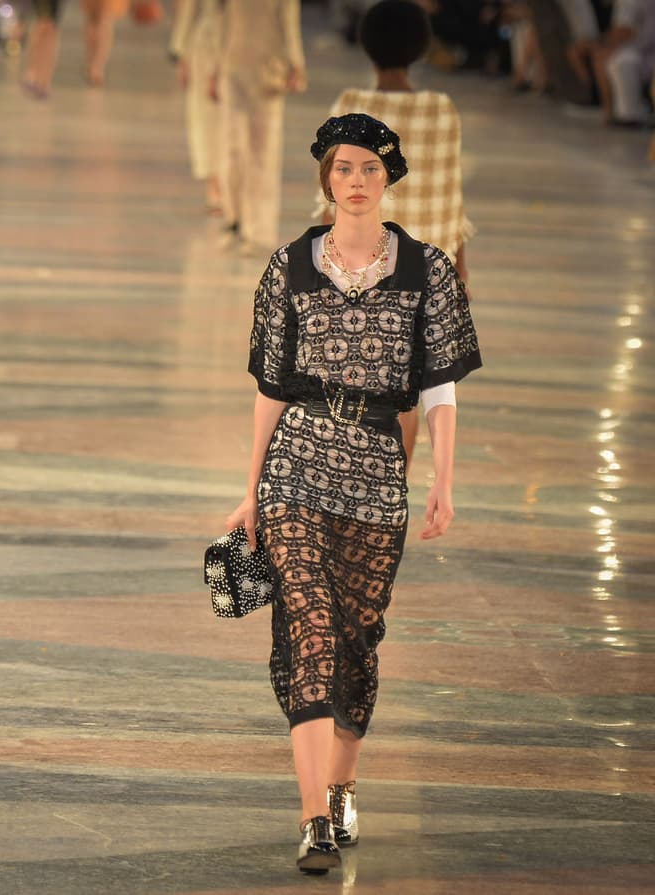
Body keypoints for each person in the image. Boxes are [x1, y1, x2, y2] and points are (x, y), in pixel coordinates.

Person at [223, 113, 481, 874]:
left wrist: (442, 478)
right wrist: (251, 492)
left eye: (370, 168)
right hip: (298, 462)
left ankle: (341, 785)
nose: (357, 181)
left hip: (376, 472)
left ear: (389, 176)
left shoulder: (427, 271)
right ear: (326, 179)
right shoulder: (290, 266)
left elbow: (438, 387)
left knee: (357, 642)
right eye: (344, 169)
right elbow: (271, 388)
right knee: (306, 628)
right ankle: (310, 817)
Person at [315, 0, 475, 467]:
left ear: (366, 46)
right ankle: (390, 495)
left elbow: (333, 196)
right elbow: (452, 197)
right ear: (422, 47)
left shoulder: (349, 108)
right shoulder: (443, 110)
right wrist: (461, 272)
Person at [213, 0, 306, 255]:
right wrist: (297, 65)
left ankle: (238, 223)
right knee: (261, 154)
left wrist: (215, 67)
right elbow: (289, 27)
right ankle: (255, 229)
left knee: (233, 149)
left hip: (235, 66)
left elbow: (221, 21)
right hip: (266, 69)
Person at [169, 0, 224, 214]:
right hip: (205, 48)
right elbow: (189, 11)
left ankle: (231, 188)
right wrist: (182, 55)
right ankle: (214, 185)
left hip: (242, 49)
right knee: (205, 118)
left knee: (234, 123)